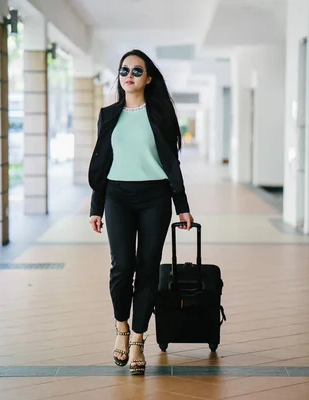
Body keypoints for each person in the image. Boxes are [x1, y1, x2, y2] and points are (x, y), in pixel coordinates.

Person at [88, 49, 194, 375]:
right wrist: (96, 206)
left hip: (155, 197)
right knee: (122, 266)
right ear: (119, 77)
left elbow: (171, 163)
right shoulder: (108, 115)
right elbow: (102, 161)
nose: (129, 76)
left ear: (148, 78)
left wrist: (182, 207)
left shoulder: (161, 114)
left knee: (148, 267)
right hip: (117, 195)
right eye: (124, 71)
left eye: (137, 71)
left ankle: (137, 338)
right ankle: (121, 328)